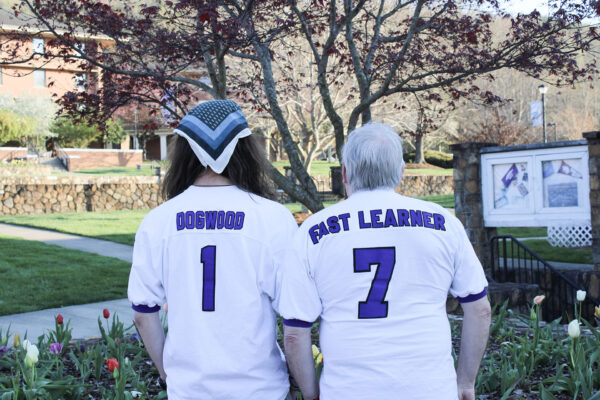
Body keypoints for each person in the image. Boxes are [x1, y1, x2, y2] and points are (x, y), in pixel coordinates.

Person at [279, 123, 491, 400]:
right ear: (401, 173)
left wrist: (311, 393)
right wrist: (465, 383)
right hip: (430, 389)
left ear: (344, 173)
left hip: (349, 391)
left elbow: (295, 333)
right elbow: (480, 310)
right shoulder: (443, 223)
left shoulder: (313, 232)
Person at [128, 100, 298, 400]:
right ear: (246, 151)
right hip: (259, 388)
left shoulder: (158, 221)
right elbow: (295, 316)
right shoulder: (273, 218)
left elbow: (143, 313)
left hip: (190, 390)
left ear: (184, 152)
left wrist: (171, 375)